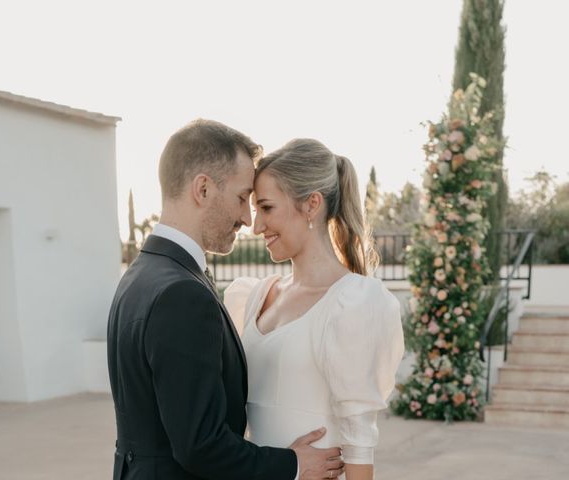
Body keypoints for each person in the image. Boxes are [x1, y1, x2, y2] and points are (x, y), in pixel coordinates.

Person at [107, 120, 344, 480]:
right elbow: (200, 445)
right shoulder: (181, 293)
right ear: (202, 189)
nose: (247, 219)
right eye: (240, 198)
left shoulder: (139, 276)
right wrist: (293, 465)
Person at [224, 139, 405, 480]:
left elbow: (359, 440)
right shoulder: (251, 296)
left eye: (266, 207)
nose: (256, 225)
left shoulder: (353, 303)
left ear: (311, 205)